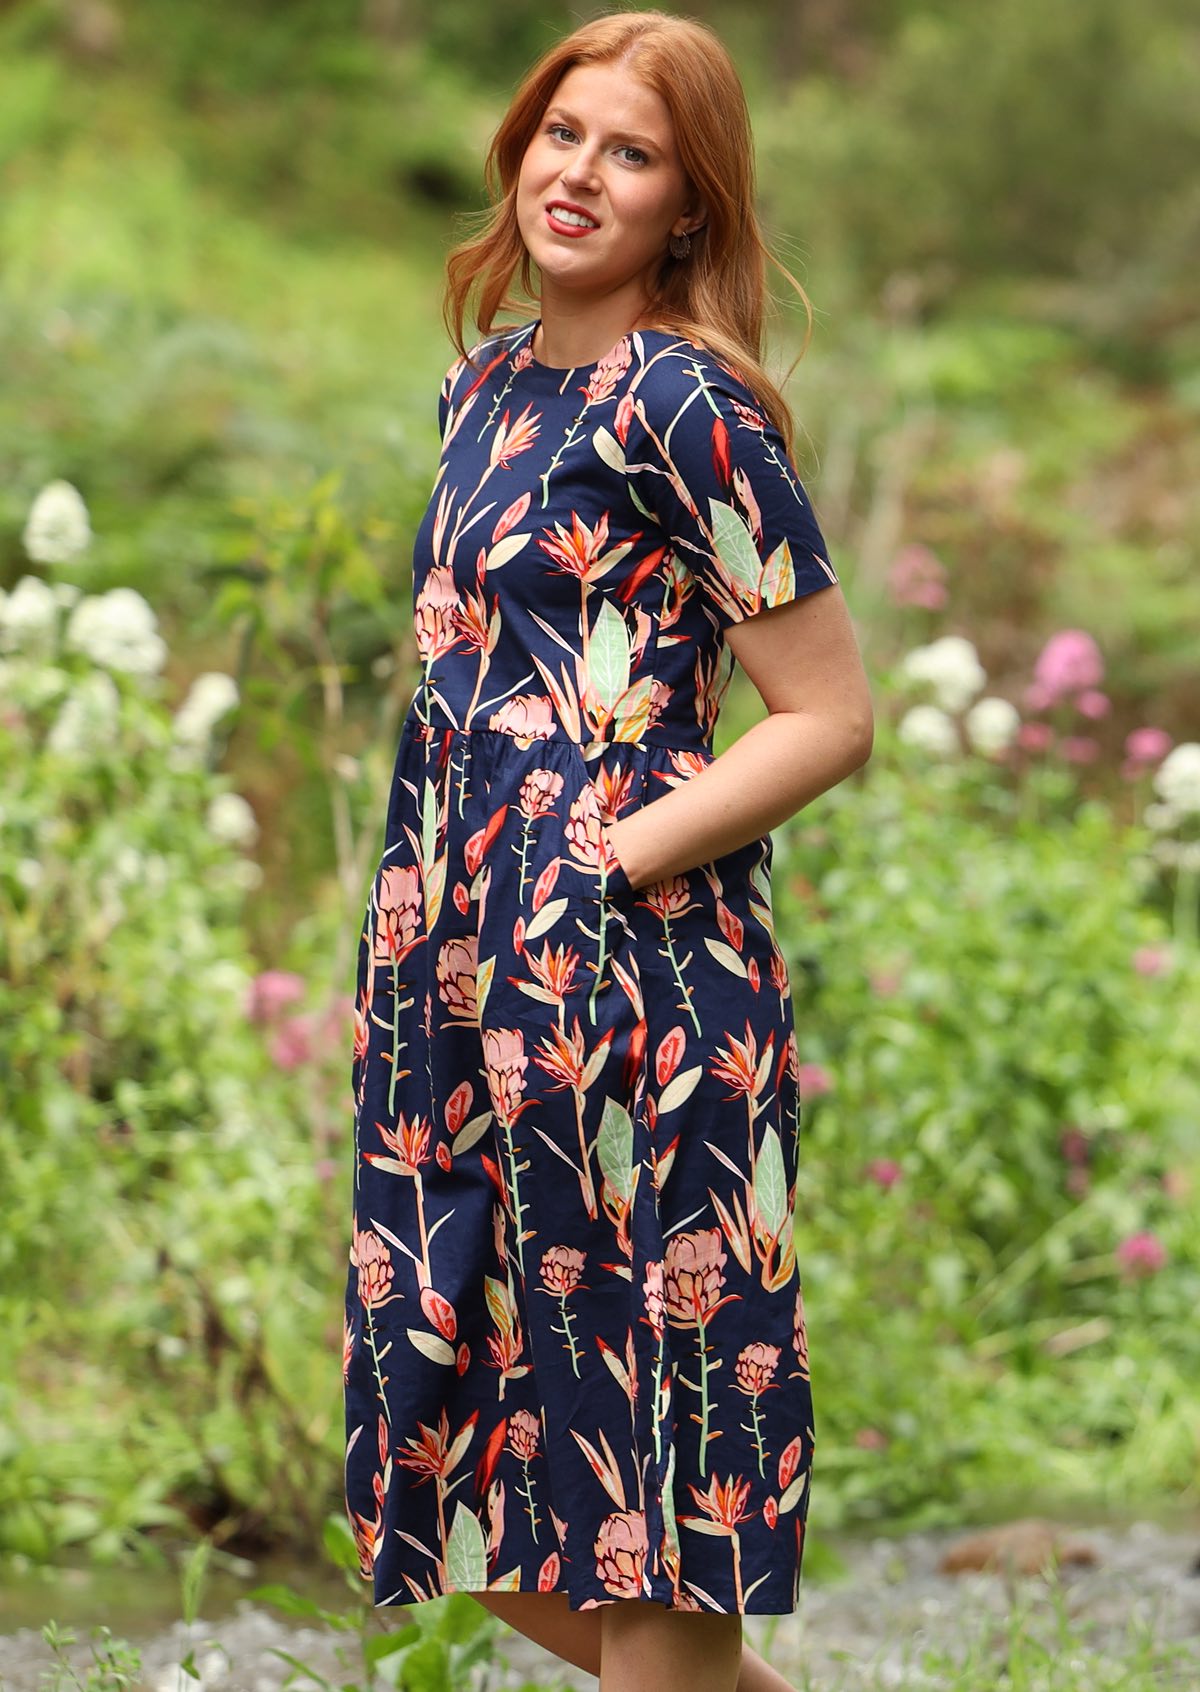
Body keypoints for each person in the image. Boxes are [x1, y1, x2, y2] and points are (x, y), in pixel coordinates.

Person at [342, 10, 874, 1690]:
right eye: (564, 133)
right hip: (453, 985)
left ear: (687, 206)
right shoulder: (482, 383)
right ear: (520, 147)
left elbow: (827, 714)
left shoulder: (692, 408)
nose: (581, 173)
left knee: (639, 1501)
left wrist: (608, 856)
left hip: (637, 995)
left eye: (630, 151)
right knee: (456, 1471)